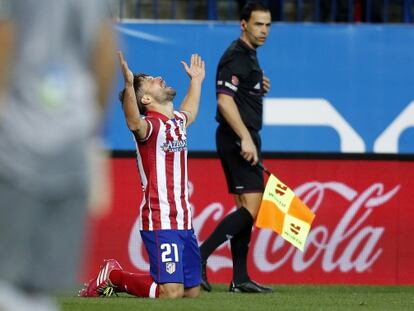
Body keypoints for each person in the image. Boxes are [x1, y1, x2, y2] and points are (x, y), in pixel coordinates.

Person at [0, 0, 116, 310]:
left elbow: (5, 38)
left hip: (17, 146)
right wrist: (89, 126)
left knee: (9, 280)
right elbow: (106, 52)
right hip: (71, 144)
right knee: (40, 286)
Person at [79, 51, 206, 299]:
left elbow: (189, 110)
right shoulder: (149, 127)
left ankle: (118, 277)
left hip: (184, 220)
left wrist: (196, 82)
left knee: (191, 292)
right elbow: (133, 122)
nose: (159, 77)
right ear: (146, 99)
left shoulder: (177, 122)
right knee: (171, 293)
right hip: (161, 219)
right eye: (150, 80)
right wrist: (128, 86)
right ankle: (114, 276)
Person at [199, 2, 272, 293]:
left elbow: (237, 91)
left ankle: (239, 278)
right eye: (258, 24)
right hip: (237, 138)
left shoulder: (248, 58)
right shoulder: (236, 56)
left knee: (244, 208)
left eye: (267, 25)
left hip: (240, 136)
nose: (264, 30)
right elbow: (224, 101)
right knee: (251, 210)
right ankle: (199, 257)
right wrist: (244, 137)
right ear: (244, 24)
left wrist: (256, 85)